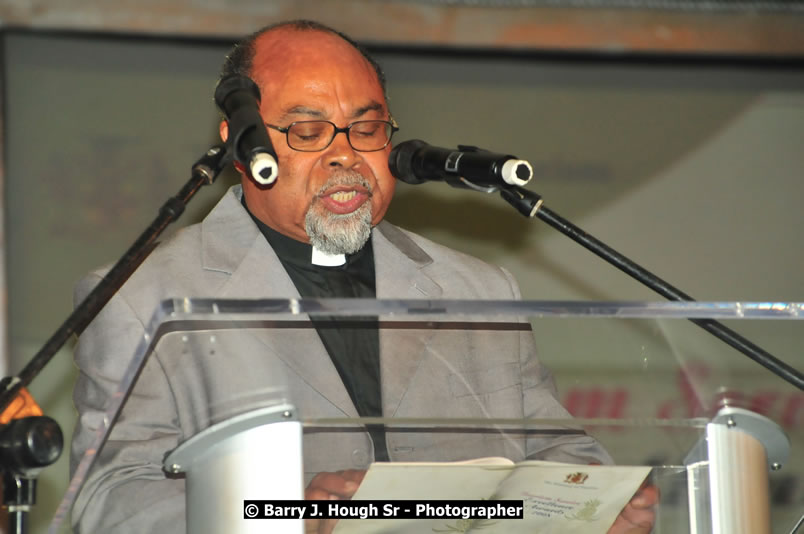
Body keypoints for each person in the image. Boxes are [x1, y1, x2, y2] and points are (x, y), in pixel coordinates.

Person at [70, 20, 657, 533]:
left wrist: (599, 501)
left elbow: (557, 449)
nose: (345, 155)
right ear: (240, 145)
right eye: (306, 131)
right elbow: (112, 497)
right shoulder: (139, 298)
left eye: (367, 128)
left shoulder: (478, 291)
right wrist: (286, 518)